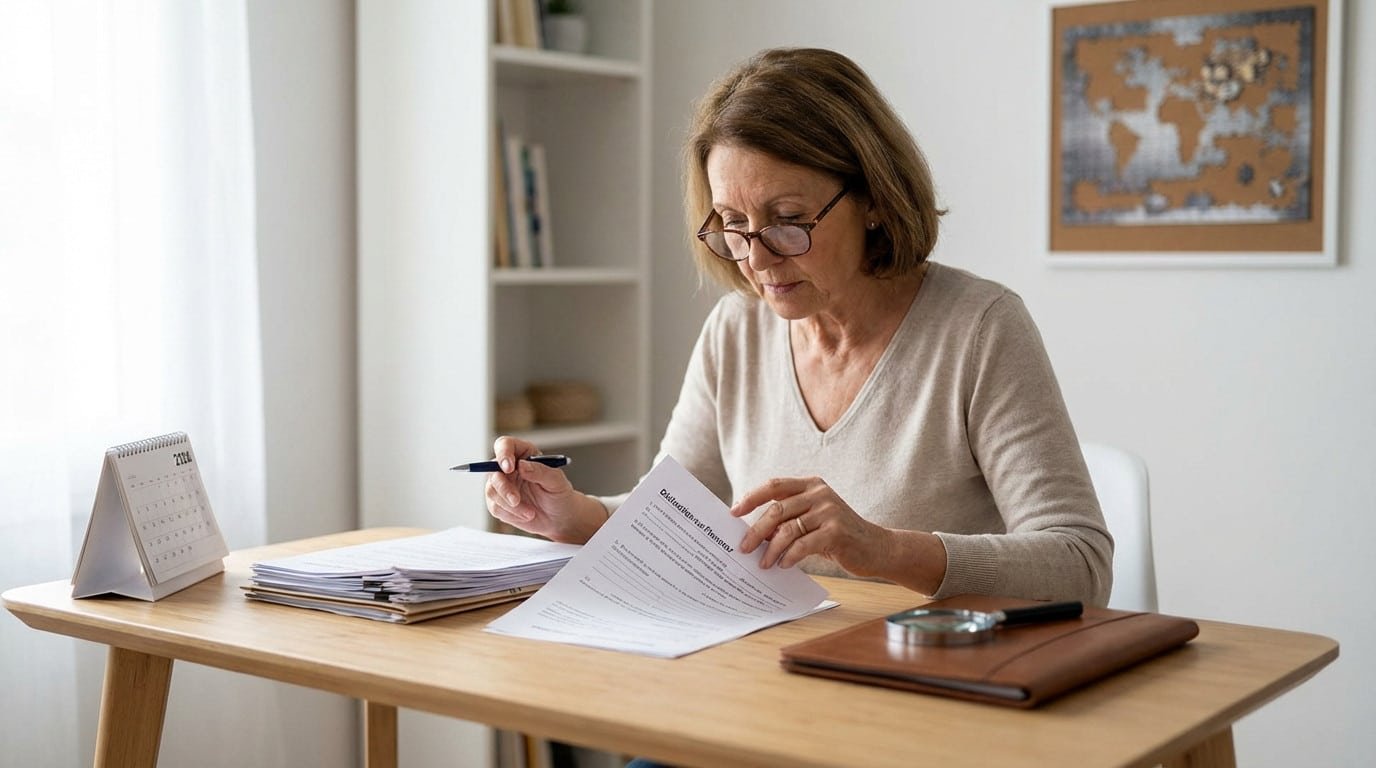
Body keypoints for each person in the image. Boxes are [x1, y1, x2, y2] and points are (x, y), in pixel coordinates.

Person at [485, 47, 1112, 607]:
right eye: (732, 223)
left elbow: (1081, 563)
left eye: (787, 220)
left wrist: (884, 549)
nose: (756, 260)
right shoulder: (735, 332)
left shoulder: (980, 329)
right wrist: (571, 514)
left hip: (931, 680)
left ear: (873, 199)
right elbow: (668, 518)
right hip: (773, 673)